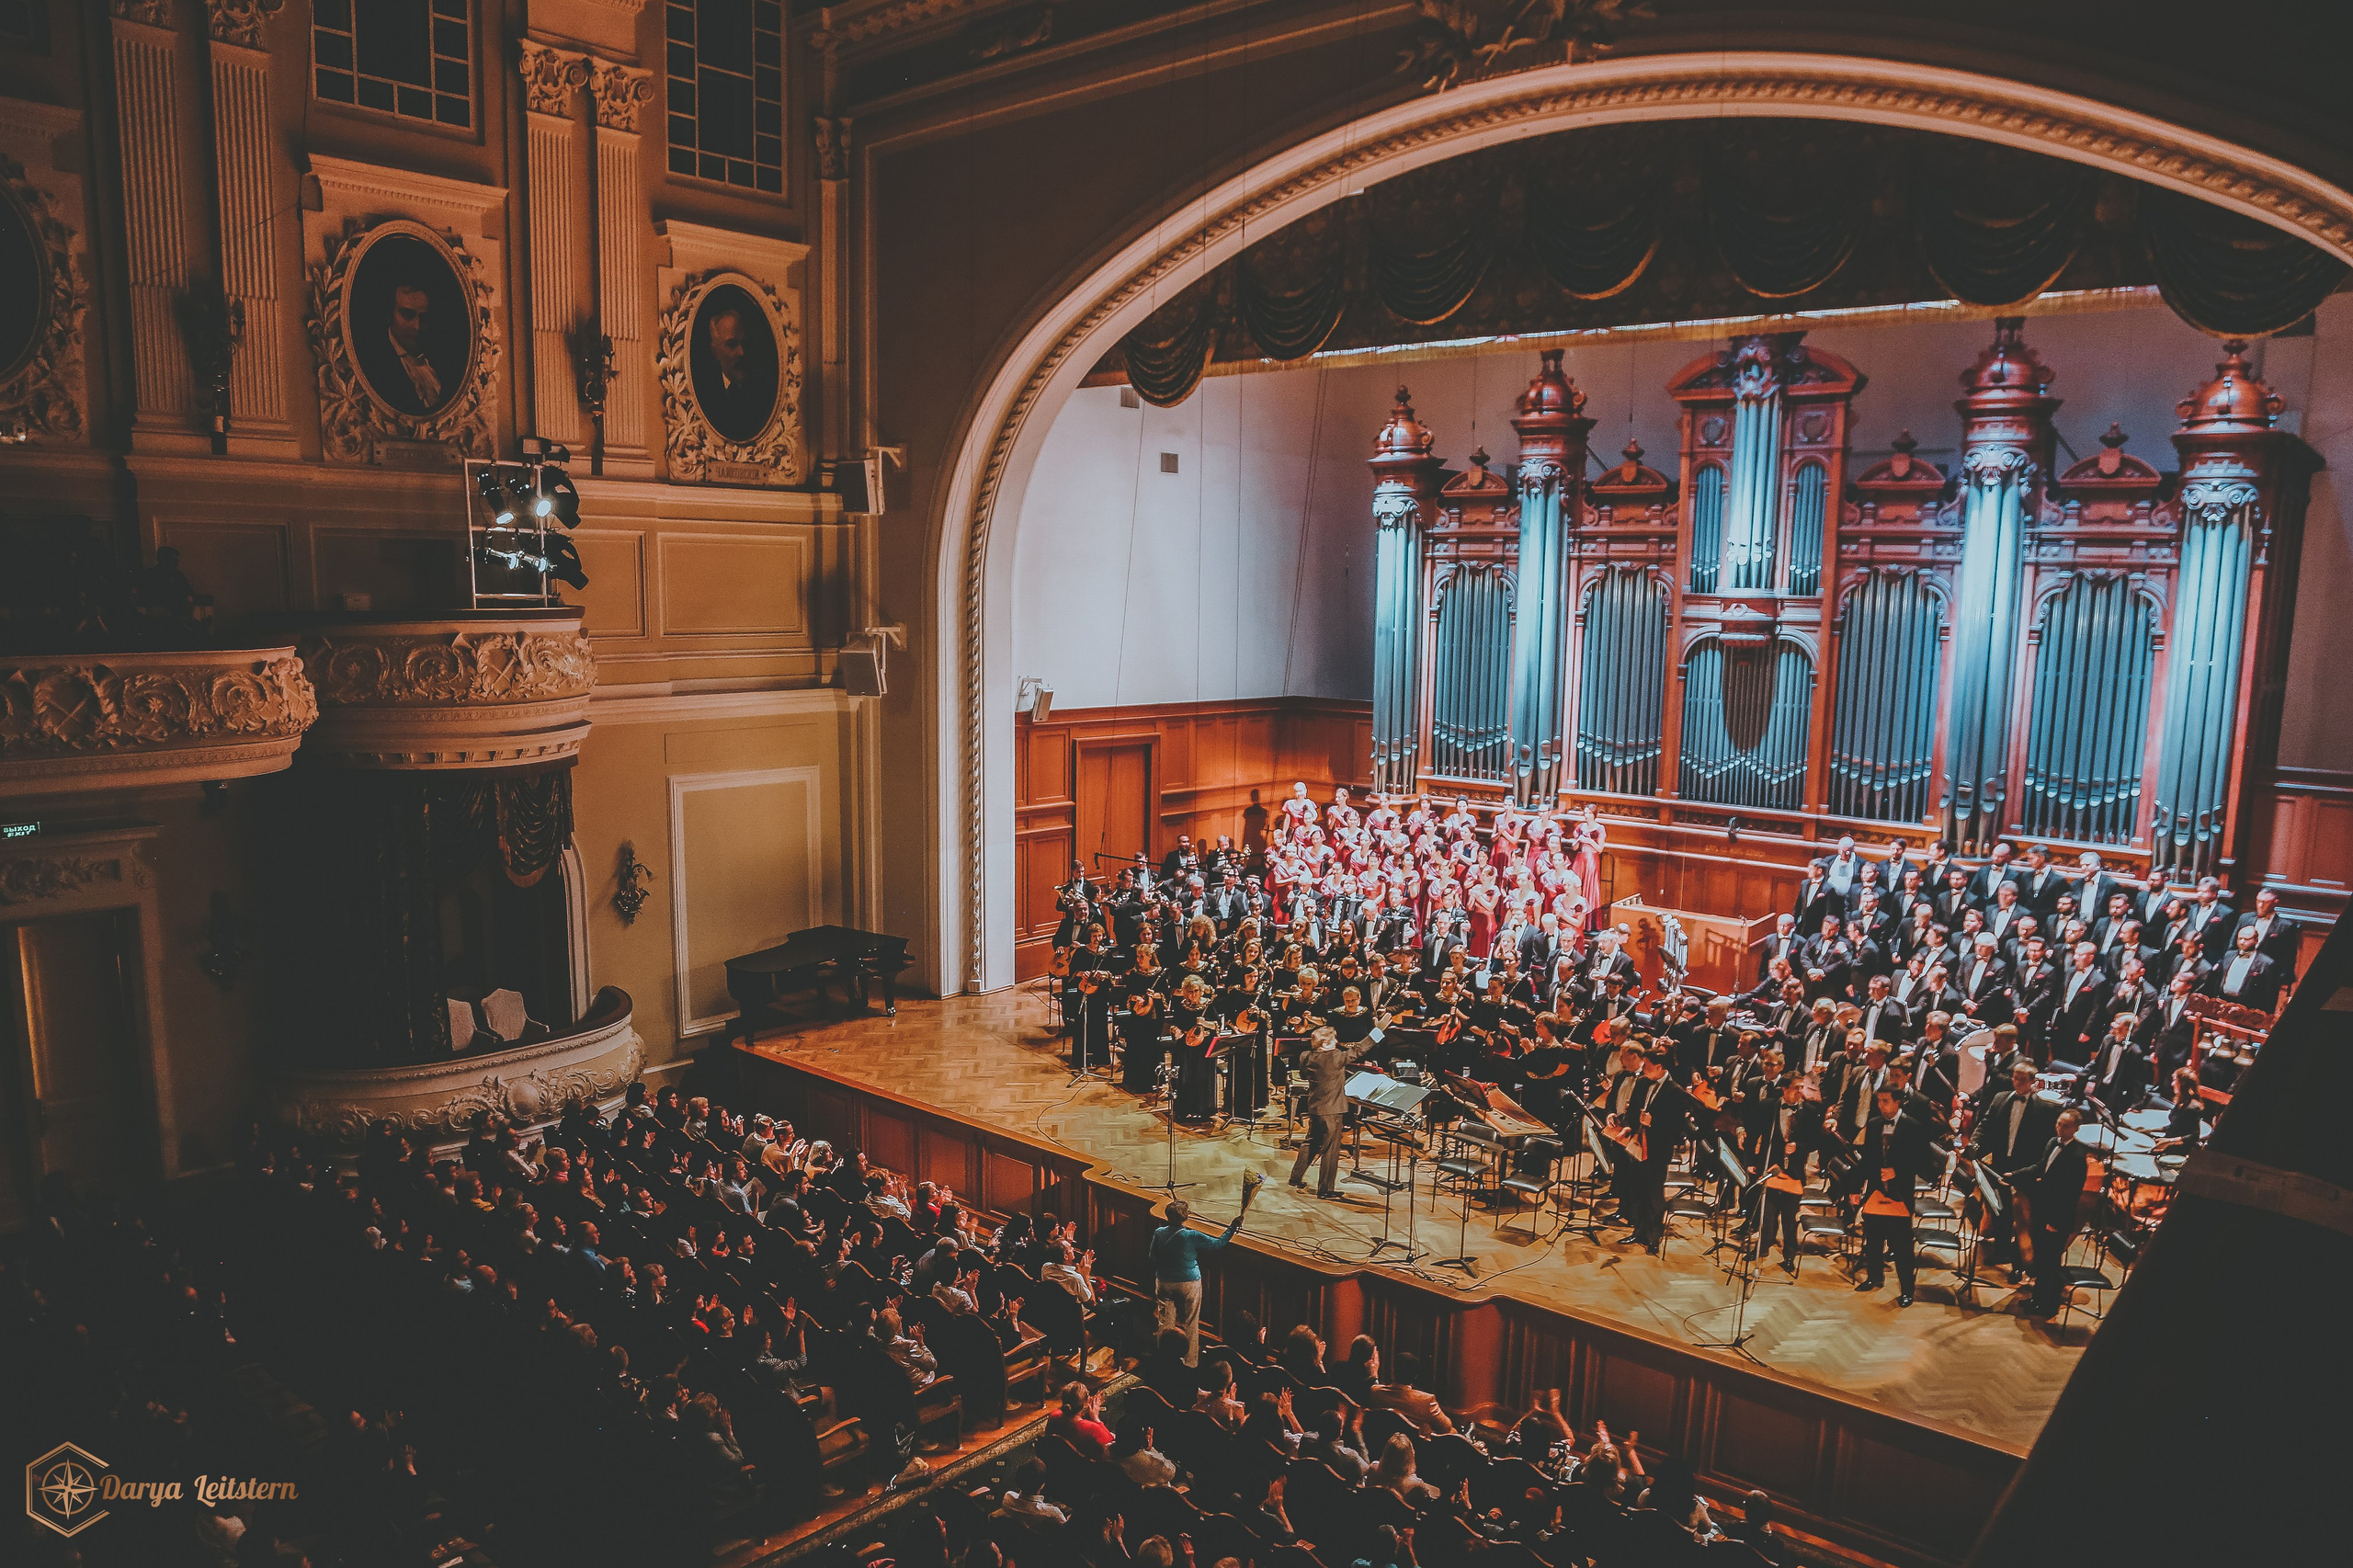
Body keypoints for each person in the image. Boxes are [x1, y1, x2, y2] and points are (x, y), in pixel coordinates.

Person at [1150, 1185, 1255, 1366]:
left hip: (1164, 1282)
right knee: (1191, 1322)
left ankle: (1163, 1359)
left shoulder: (1159, 1233)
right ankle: (1190, 1363)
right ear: (1185, 1216)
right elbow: (1217, 1244)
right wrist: (1232, 1227)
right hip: (1189, 1283)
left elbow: (1152, 1257)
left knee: (1165, 1323)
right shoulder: (1191, 1236)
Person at [1290, 1025, 1376, 1199]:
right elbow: (1358, 1050)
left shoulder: (1306, 1056)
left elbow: (1304, 1074)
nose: (1337, 1042)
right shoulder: (1335, 1057)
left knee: (1311, 1142)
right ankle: (1326, 1189)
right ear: (1324, 1044)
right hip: (1332, 1110)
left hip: (1315, 1107)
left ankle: (1295, 1177)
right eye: (1333, 1040)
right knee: (1330, 1149)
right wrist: (1377, 1033)